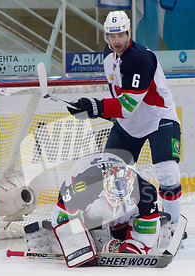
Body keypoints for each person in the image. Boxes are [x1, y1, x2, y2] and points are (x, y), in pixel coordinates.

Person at [66, 10, 182, 228]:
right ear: (106, 37)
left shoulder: (140, 58)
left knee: (167, 172)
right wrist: (103, 110)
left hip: (159, 119)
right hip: (129, 124)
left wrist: (95, 107)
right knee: (113, 175)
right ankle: (123, 221)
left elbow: (127, 106)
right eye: (112, 35)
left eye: (121, 35)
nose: (116, 40)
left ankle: (173, 225)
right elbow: (119, 95)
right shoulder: (108, 56)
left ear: (129, 33)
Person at [24, 154, 169, 267]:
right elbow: (61, 218)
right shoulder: (82, 188)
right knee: (79, 252)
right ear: (104, 181)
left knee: (140, 247)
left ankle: (120, 230)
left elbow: (144, 241)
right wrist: (77, 243)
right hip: (85, 208)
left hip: (120, 215)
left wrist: (133, 248)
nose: (115, 202)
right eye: (112, 195)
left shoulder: (146, 192)